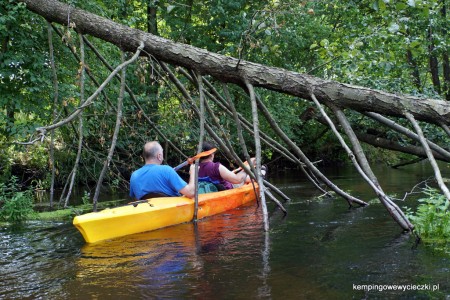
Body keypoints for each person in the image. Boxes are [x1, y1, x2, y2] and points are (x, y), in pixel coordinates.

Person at [129, 141, 196, 200]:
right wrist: (193, 173)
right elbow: (190, 193)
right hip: (171, 211)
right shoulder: (167, 170)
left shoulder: (134, 175)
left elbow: (135, 199)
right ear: (159, 156)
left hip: (148, 212)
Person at [198, 141, 262, 190]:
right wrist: (247, 168)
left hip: (211, 190)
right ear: (212, 154)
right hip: (227, 189)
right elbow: (238, 180)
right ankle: (261, 174)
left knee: (239, 175)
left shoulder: (194, 168)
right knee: (244, 178)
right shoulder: (216, 167)